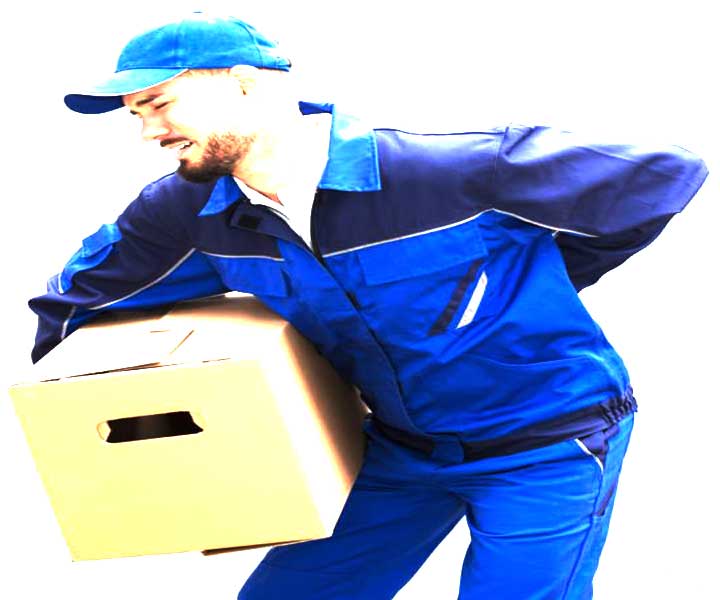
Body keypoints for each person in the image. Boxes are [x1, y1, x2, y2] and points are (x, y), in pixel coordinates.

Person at [30, 12, 708, 600]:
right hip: (400, 450)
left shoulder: (448, 171)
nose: (148, 130)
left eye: (159, 103)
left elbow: (663, 176)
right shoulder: (188, 212)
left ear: (244, 82)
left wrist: (546, 282)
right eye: (136, 113)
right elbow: (73, 305)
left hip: (549, 442)